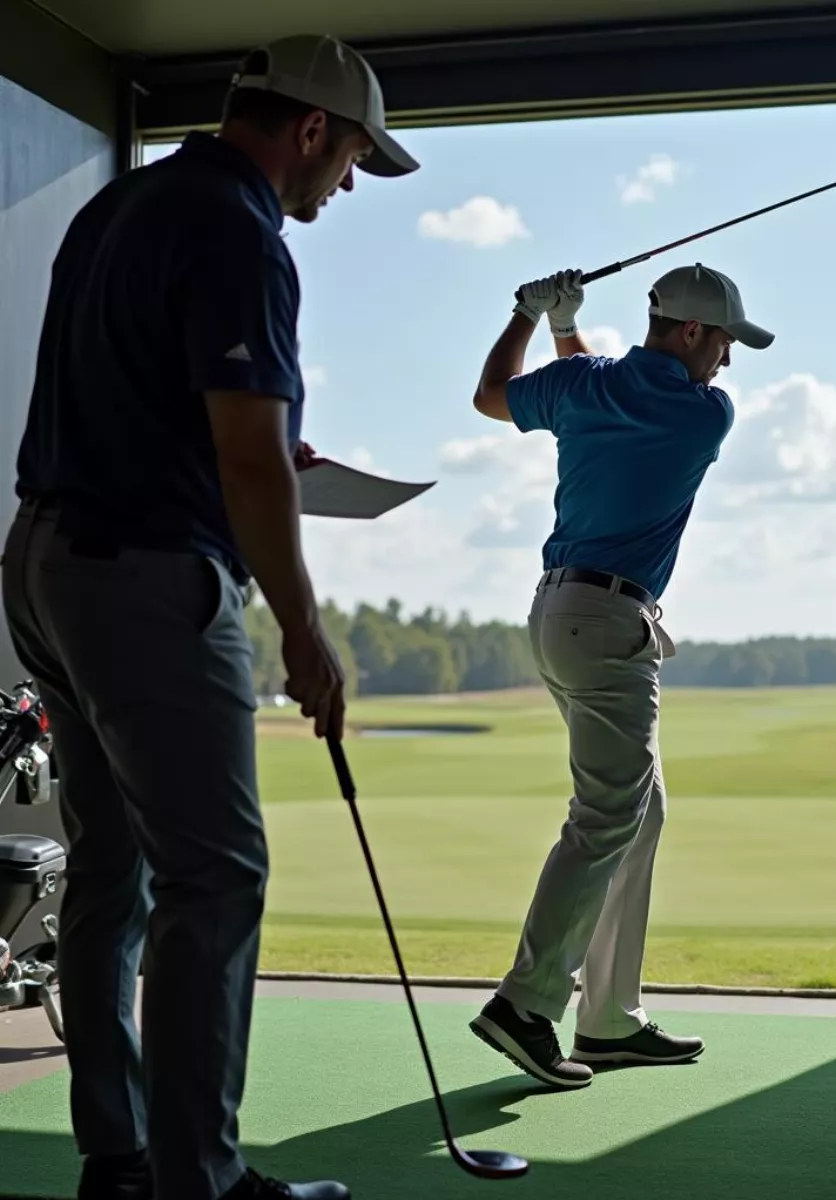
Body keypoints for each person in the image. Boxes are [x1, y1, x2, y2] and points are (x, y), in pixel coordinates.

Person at [0, 34, 419, 1200]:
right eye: (348, 166)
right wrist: (308, 632)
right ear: (310, 131)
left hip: (42, 554)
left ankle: (118, 1158)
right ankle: (201, 1181)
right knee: (216, 877)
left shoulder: (126, 204)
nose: (343, 190)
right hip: (142, 574)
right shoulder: (242, 231)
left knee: (112, 872)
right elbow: (246, 456)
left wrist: (267, 453)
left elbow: (165, 399)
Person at [467, 263, 774, 1088]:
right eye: (723, 342)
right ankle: (527, 1004)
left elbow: (494, 396)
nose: (727, 362)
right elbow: (612, 391)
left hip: (561, 617)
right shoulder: (706, 414)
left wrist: (531, 316)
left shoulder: (579, 384)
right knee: (606, 817)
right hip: (606, 624)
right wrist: (563, 327)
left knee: (642, 813)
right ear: (688, 333)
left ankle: (608, 1019)